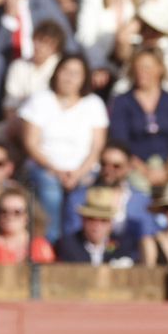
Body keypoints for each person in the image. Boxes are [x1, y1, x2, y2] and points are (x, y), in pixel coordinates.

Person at [20, 54, 105, 242]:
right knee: (51, 192)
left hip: (83, 171)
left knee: (79, 200)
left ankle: (72, 248)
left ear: (84, 78)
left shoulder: (93, 104)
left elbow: (96, 147)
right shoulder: (40, 100)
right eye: (65, 71)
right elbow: (30, 143)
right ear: (56, 73)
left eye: (76, 73)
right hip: (45, 168)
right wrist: (56, 171)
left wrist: (78, 173)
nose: (69, 78)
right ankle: (50, 245)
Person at [60, 143, 154, 251]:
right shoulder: (79, 198)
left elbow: (148, 235)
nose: (108, 170)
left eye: (116, 166)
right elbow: (71, 237)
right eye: (104, 164)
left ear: (128, 168)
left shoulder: (141, 200)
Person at [108, 46, 168, 171]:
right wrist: (143, 170)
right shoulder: (122, 102)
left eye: (147, 67)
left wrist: (167, 170)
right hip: (134, 168)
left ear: (160, 69)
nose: (142, 72)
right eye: (138, 68)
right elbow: (120, 143)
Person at [76, 0, 139, 84]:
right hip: (100, 65)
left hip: (131, 67)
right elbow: (85, 38)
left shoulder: (138, 4)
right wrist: (99, 66)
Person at [52, 186, 137, 265]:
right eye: (91, 219)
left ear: (110, 223)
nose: (97, 225)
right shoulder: (68, 245)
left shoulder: (122, 245)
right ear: (83, 220)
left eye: (103, 220)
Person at [2, 22, 70, 118]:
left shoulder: (61, 68)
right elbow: (9, 106)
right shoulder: (18, 66)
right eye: (39, 41)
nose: (41, 47)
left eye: (48, 44)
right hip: (21, 120)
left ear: (56, 50)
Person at [0, 185, 54, 264]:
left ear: (28, 215)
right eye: (4, 211)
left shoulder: (39, 245)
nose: (10, 216)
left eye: (17, 212)